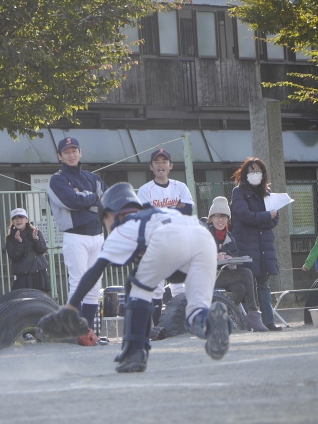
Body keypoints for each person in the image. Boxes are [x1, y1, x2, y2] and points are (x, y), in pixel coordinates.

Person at [38, 182, 231, 373]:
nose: (108, 228)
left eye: (104, 222)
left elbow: (95, 270)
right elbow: (174, 269)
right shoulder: (156, 214)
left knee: (136, 287)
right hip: (203, 237)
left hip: (168, 238)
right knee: (196, 310)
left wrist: (71, 307)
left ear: (111, 213)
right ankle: (212, 324)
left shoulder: (126, 225)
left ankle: (135, 354)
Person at [47, 137, 108, 346]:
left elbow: (107, 200)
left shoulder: (92, 177)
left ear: (80, 153)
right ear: (60, 156)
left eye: (74, 151)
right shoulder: (57, 179)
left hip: (98, 235)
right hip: (75, 236)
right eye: (67, 152)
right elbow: (71, 201)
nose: (71, 155)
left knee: (94, 286)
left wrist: (84, 197)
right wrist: (93, 198)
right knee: (78, 284)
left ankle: (87, 333)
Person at [137, 148, 195, 326]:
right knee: (156, 288)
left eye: (164, 161)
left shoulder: (180, 187)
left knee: (180, 286)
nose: (160, 165)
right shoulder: (145, 190)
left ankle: (182, 325)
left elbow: (188, 211)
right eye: (157, 162)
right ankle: (156, 328)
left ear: (171, 165)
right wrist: (175, 209)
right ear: (151, 167)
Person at [230, 157, 282, 331]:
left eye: (258, 171)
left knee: (264, 285)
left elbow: (275, 220)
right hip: (245, 245)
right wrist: (266, 217)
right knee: (247, 285)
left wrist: (259, 219)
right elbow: (244, 215)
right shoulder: (239, 192)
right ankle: (249, 322)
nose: (255, 174)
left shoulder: (267, 193)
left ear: (263, 174)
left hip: (264, 246)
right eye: (251, 171)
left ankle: (269, 322)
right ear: (245, 173)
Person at [205, 196, 268, 332]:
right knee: (247, 273)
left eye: (224, 217)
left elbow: (235, 260)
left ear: (228, 220)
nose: (220, 220)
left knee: (240, 287)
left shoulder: (230, 238)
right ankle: (253, 312)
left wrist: (230, 259)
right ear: (211, 218)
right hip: (207, 277)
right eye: (217, 216)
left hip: (224, 275)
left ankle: (224, 315)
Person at [5, 208, 51, 293]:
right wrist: (19, 242)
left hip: (39, 272)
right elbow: (15, 257)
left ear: (26, 220)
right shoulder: (10, 238)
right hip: (23, 275)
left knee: (41, 300)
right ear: (12, 221)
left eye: (21, 217)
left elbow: (42, 250)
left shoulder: (35, 232)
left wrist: (36, 239)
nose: (18, 220)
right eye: (15, 218)